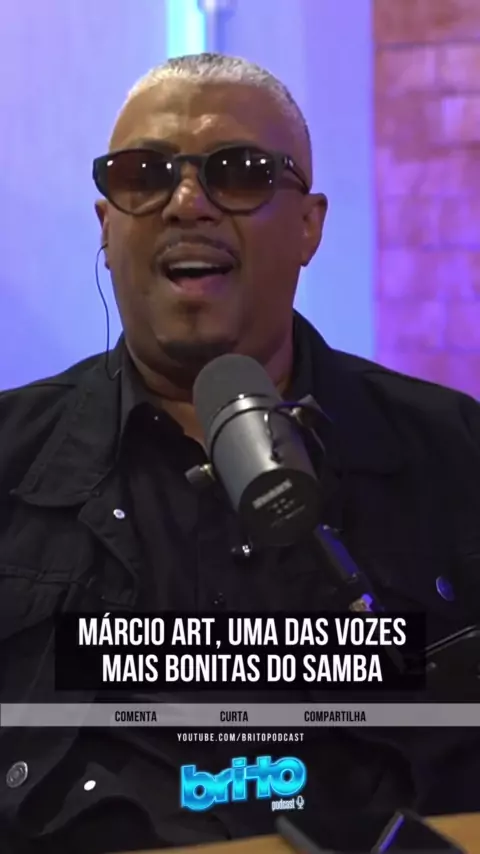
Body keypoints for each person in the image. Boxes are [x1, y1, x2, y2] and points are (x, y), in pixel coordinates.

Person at [0, 51, 480, 854]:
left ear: (309, 226)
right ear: (106, 226)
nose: (188, 202)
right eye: (144, 174)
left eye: (242, 172)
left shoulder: (455, 455)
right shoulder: (11, 462)